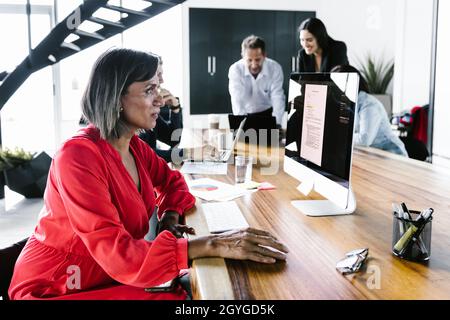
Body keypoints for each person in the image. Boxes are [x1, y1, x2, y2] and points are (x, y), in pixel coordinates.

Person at [8, 48, 288, 300]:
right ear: (117, 97)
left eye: (158, 88)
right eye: (149, 90)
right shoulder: (77, 156)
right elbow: (118, 255)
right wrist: (212, 243)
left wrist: (169, 218)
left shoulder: (134, 147)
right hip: (56, 287)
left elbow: (173, 182)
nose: (161, 101)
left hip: (106, 277)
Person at [331, 64, 408, 156]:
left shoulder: (369, 104)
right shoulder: (349, 102)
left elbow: (364, 139)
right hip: (372, 153)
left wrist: (339, 135)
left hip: (393, 155)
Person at [228, 35, 286, 127]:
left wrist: (277, 123)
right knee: (244, 141)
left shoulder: (275, 68)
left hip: (267, 115)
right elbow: (237, 100)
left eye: (258, 59)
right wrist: (241, 126)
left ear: (264, 55)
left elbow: (277, 97)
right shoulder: (235, 69)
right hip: (244, 114)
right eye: (249, 60)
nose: (254, 65)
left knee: (270, 141)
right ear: (243, 56)